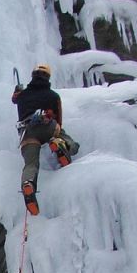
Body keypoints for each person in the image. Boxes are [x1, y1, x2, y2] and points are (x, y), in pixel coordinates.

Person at [12, 63, 80, 215]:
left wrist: (18, 93)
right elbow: (59, 120)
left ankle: (28, 184)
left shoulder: (22, 95)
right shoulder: (53, 96)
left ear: (33, 76)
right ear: (48, 78)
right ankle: (61, 145)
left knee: (31, 164)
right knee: (69, 140)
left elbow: (15, 100)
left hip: (27, 133)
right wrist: (55, 130)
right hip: (47, 127)